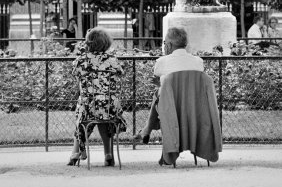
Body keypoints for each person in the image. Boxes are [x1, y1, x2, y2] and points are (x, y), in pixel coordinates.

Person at [67, 27, 126, 167]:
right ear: (106, 43)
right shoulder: (112, 60)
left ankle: (75, 153)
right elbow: (120, 73)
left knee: (83, 116)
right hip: (109, 105)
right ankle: (108, 154)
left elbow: (75, 74)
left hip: (88, 104)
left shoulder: (81, 60)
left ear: (88, 43)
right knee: (104, 116)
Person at [135, 26, 204, 145]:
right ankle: (146, 130)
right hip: (194, 108)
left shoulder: (162, 62)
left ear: (169, 45)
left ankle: (147, 130)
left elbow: (164, 78)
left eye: (164, 42)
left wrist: (161, 85)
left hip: (171, 109)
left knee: (158, 95)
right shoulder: (198, 62)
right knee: (160, 93)